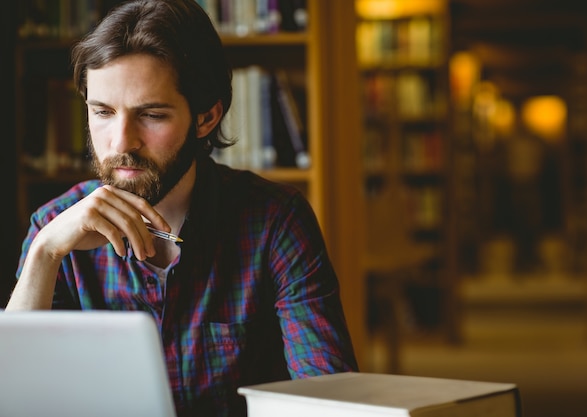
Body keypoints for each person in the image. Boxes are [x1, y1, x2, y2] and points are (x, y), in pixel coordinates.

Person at [6, 0, 358, 415]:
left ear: (206, 118)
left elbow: (329, 399)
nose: (120, 143)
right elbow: (16, 397)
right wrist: (44, 254)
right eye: (102, 112)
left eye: (151, 115)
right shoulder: (53, 227)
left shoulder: (276, 222)